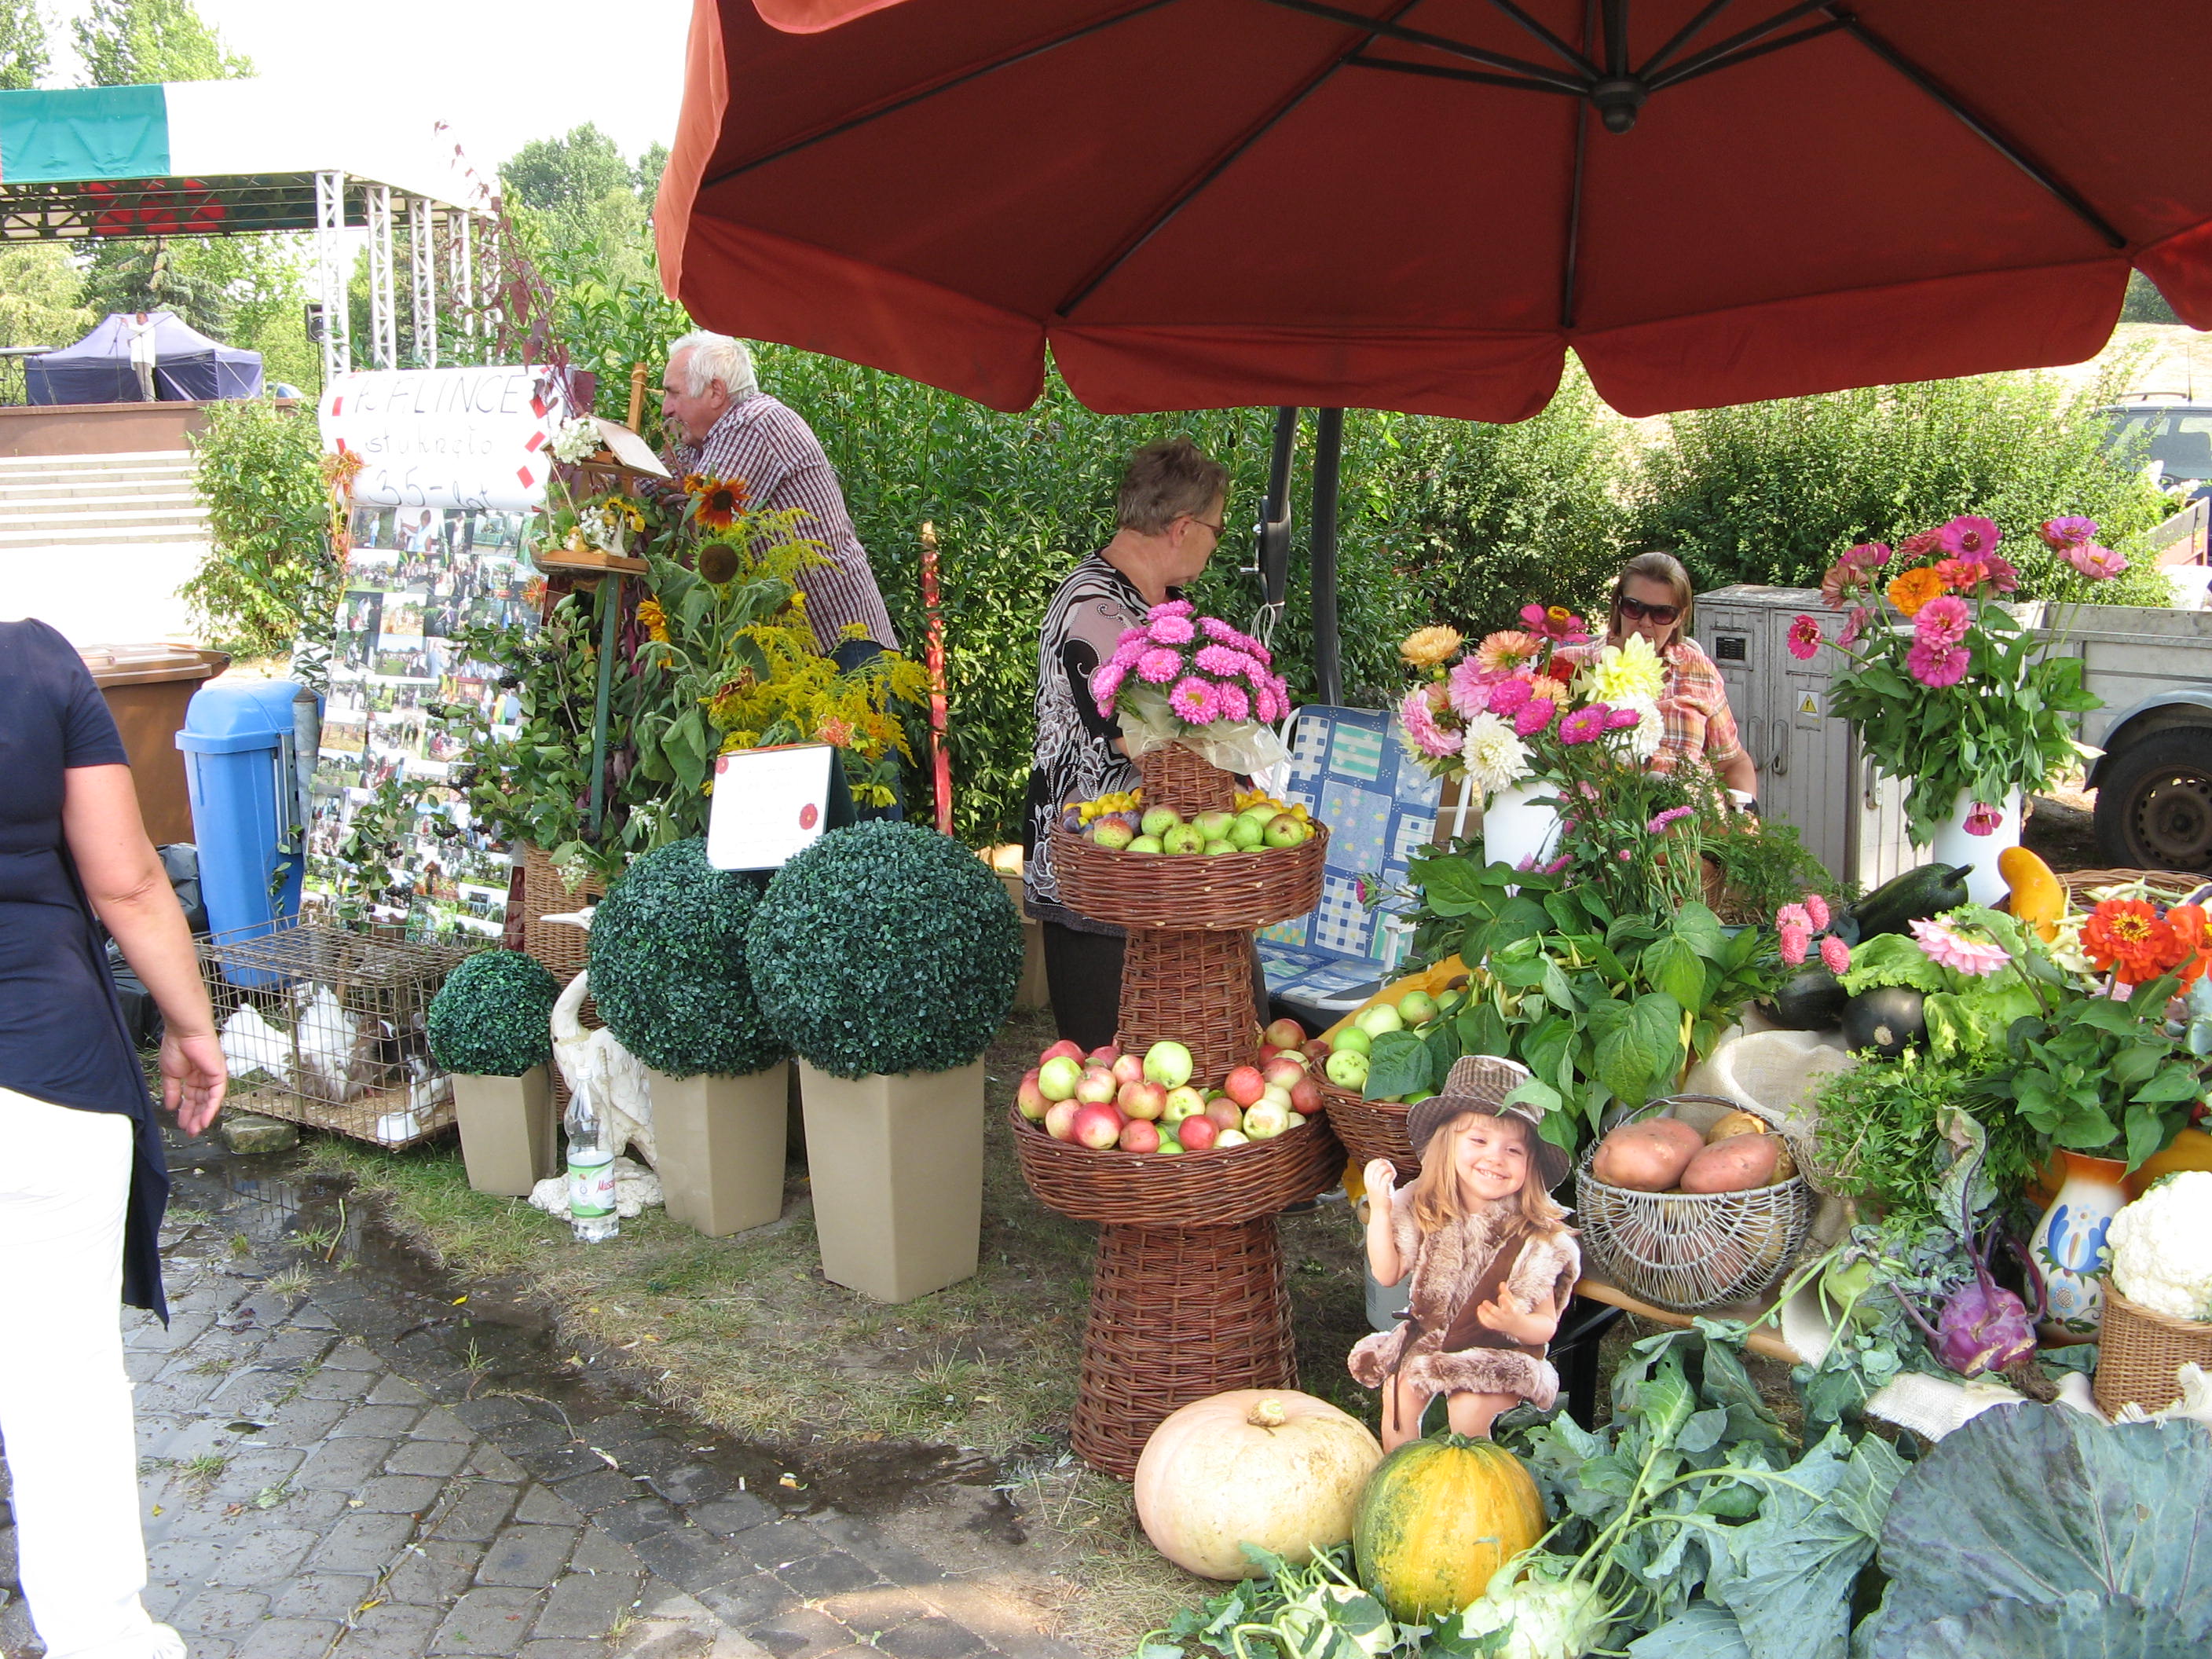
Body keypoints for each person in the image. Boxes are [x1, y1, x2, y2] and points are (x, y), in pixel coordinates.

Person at [1, 619, 227, 1659]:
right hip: (44, 1080)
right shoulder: (33, 664)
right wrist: (191, 1027)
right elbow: (129, 881)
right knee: (63, 1387)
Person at [1024, 438, 1232, 1050]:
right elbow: (1149, 743)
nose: (1215, 545)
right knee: (1110, 1062)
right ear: (1183, 527)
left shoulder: (1162, 604)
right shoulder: (1094, 610)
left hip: (1161, 874)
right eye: (1217, 530)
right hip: (1101, 882)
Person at [1350, 1055, 1579, 1448]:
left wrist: (1515, 1322)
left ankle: (1477, 1477)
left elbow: (1545, 1326)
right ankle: (1400, 1470)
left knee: (1469, 1407)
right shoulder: (1427, 1207)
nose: (1495, 1158)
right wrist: (1382, 1210)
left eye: (1514, 1150)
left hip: (1501, 1350)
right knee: (1399, 1391)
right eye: (1479, 1140)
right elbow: (1387, 1273)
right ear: (1447, 1145)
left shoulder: (1533, 1237)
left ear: (1532, 1165)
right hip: (1433, 1337)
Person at [655, 331, 899, 672]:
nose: (666, 408)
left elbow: (698, 523)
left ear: (715, 392)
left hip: (840, 638)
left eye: (673, 393)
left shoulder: (753, 422)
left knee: (855, 711)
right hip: (798, 644)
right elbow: (649, 484)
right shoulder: (700, 442)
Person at [1564, 551, 1758, 802]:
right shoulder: (1571, 667)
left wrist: (1747, 814)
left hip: (1693, 816)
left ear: (1679, 618)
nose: (1645, 622)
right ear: (1618, 604)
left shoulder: (1698, 668)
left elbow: (1732, 761)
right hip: (1602, 817)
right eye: (1634, 607)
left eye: (1662, 613)